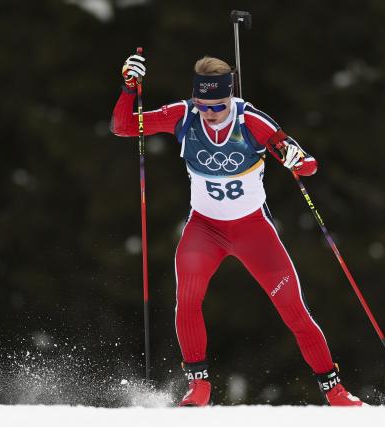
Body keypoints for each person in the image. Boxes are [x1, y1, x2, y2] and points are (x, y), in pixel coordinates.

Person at [111, 52, 364, 407]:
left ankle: (335, 392)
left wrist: (298, 162)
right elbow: (124, 126)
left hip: (252, 231)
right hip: (205, 229)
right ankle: (199, 386)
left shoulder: (251, 121)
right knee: (188, 298)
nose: (209, 113)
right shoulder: (183, 116)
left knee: (294, 309)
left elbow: (307, 164)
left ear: (229, 97)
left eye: (216, 105)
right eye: (203, 104)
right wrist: (128, 88)